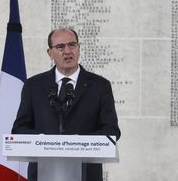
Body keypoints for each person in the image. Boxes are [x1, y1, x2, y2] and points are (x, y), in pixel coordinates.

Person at [12, 28, 121, 181]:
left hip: (86, 174)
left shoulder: (100, 86)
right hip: (43, 173)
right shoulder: (34, 85)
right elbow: (20, 129)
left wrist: (77, 144)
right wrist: (46, 143)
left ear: (79, 48)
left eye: (72, 45)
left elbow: (111, 130)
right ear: (50, 53)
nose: (67, 51)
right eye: (60, 47)